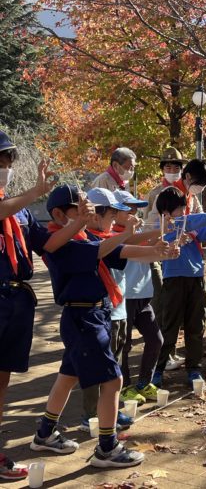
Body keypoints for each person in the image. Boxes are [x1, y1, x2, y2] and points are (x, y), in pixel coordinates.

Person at [30, 185, 171, 468]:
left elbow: (118, 249)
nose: (88, 215)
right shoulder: (61, 242)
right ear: (59, 214)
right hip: (83, 318)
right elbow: (103, 249)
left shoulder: (81, 236)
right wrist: (130, 233)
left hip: (91, 315)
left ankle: (44, 434)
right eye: (81, 210)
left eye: (91, 210)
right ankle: (107, 447)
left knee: (67, 377)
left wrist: (156, 248)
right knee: (113, 380)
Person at [0, 131, 82, 480]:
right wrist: (36, 192)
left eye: (7, 160)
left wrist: (80, 223)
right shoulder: (13, 205)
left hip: (17, 300)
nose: (5, 167)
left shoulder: (19, 212)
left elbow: (48, 244)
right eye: (0, 160)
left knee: (2, 381)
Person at [152, 187, 206, 386]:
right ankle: (157, 369)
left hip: (196, 279)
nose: (183, 212)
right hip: (173, 281)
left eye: (184, 208)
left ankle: (194, 368)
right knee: (169, 327)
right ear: (166, 212)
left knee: (196, 326)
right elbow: (190, 222)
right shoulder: (162, 228)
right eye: (179, 209)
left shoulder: (189, 224)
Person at [112, 190, 164, 403]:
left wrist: (166, 243)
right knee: (123, 345)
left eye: (136, 208)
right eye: (129, 209)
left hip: (143, 294)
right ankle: (123, 388)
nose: (134, 213)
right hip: (125, 296)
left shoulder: (139, 230)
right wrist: (159, 234)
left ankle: (144, 383)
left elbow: (149, 251)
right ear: (114, 211)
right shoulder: (113, 234)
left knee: (156, 339)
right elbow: (132, 245)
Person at [143, 147, 188, 225]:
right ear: (162, 170)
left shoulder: (188, 192)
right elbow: (147, 223)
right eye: (168, 168)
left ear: (181, 170)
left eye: (176, 168)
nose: (172, 171)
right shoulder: (154, 194)